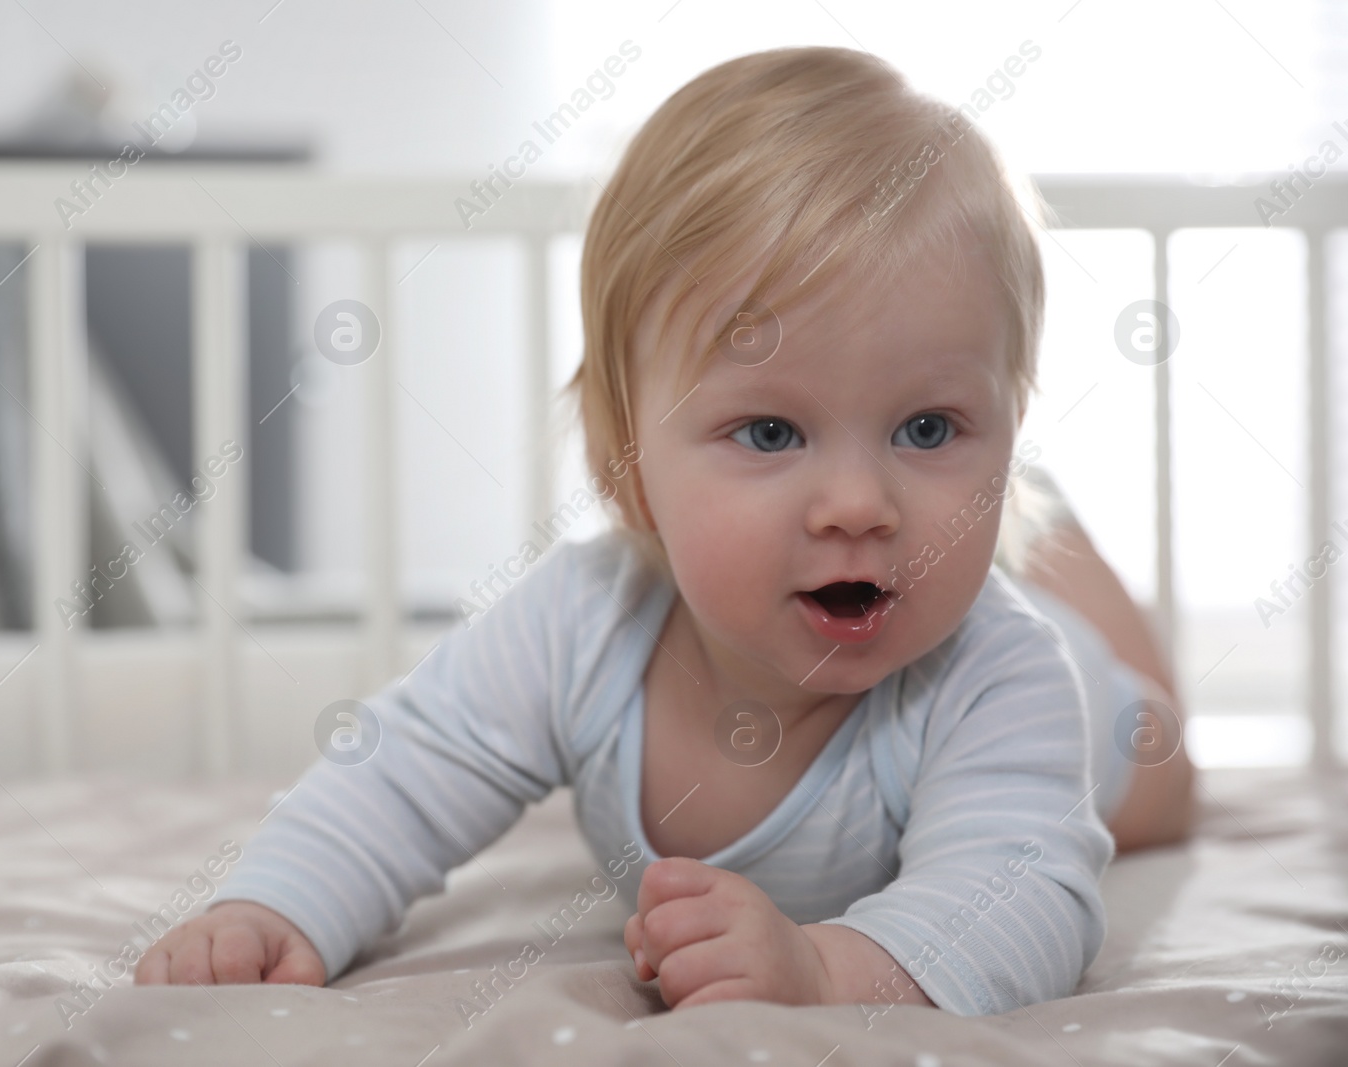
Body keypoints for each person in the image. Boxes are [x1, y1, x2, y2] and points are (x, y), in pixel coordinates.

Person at [136, 46, 1195, 1016]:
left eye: (929, 427)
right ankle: (1023, 514)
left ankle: (1052, 543)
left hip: (1089, 706)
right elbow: (403, 768)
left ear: (1007, 428)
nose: (857, 502)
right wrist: (277, 904)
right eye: (770, 429)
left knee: (1155, 766)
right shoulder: (579, 623)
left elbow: (1020, 897)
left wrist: (827, 967)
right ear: (624, 466)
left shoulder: (1004, 675)